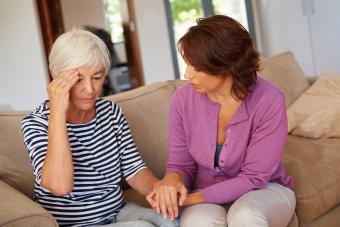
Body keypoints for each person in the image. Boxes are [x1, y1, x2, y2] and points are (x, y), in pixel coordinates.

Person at [146, 15, 296, 227]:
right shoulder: (182, 100)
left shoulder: (269, 100)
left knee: (245, 216)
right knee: (198, 223)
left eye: (196, 67)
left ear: (226, 66)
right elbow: (181, 164)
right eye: (187, 64)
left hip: (264, 189)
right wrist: (172, 180)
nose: (187, 74)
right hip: (204, 192)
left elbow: (253, 178)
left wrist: (190, 199)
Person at [22, 29, 179, 227]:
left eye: (96, 77)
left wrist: (161, 189)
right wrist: (58, 114)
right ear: (56, 76)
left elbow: (133, 169)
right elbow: (60, 186)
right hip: (74, 223)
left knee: (171, 221)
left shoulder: (111, 112)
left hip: (117, 212)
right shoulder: (36, 123)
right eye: (78, 79)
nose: (90, 90)